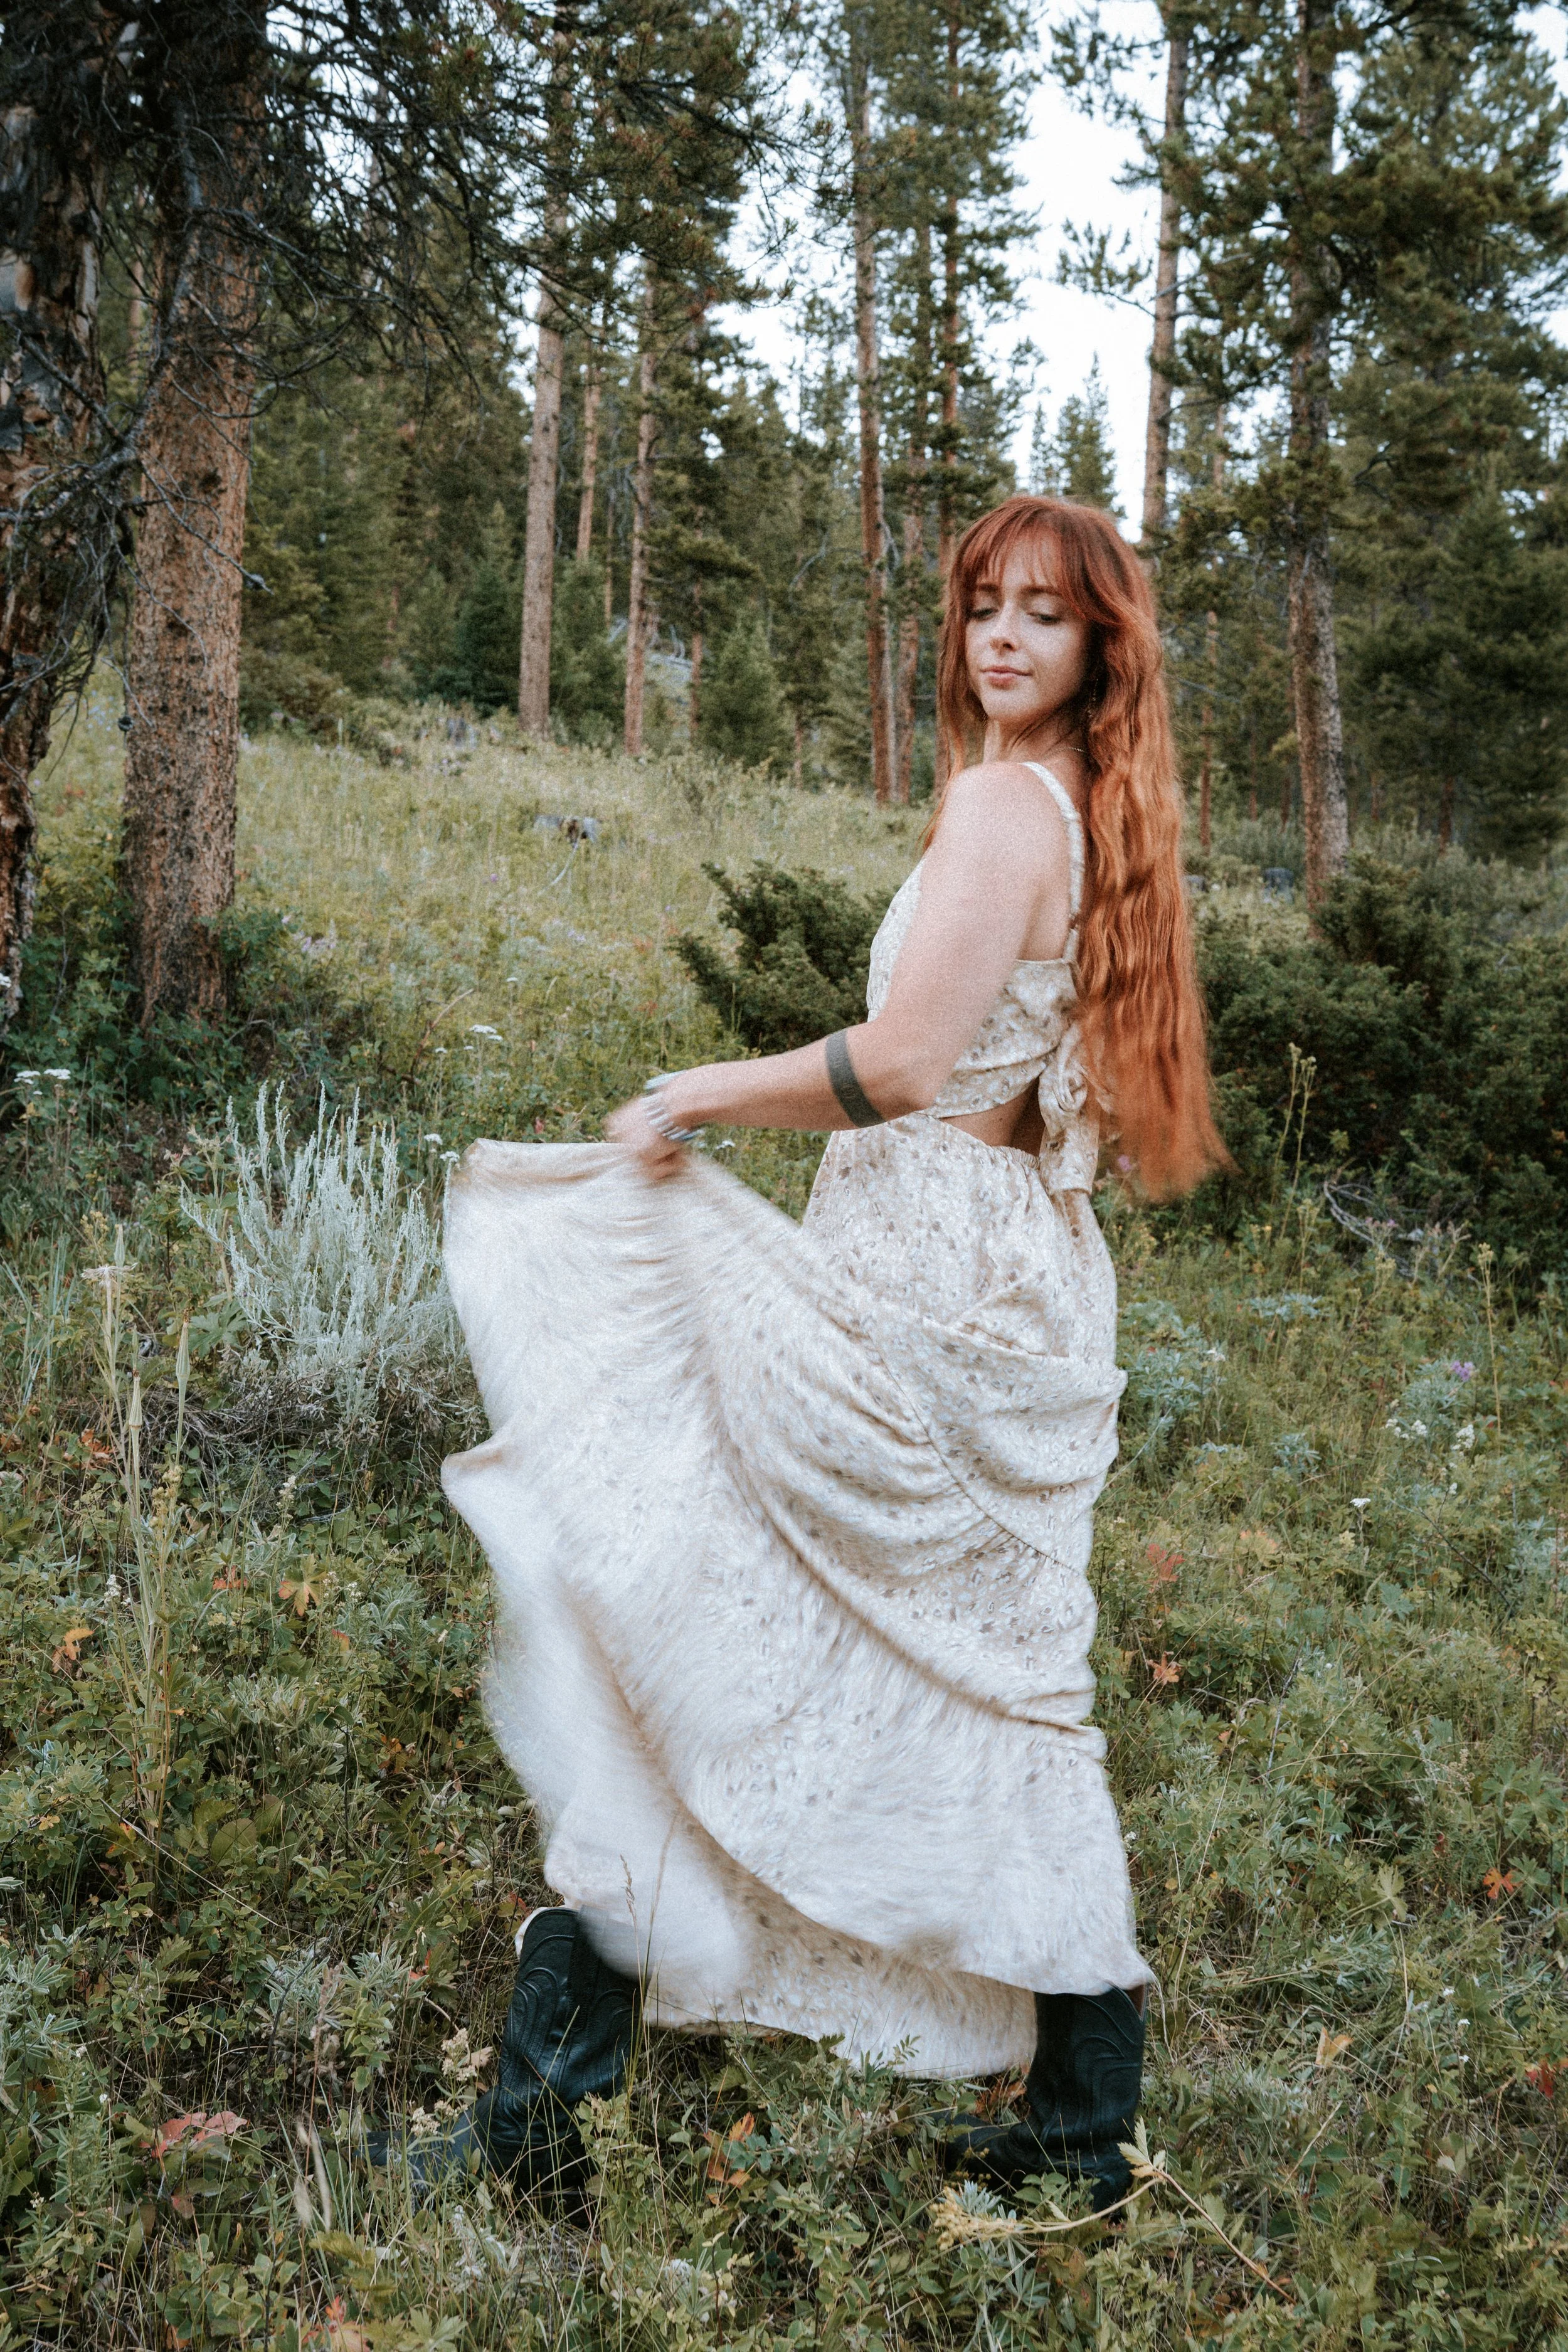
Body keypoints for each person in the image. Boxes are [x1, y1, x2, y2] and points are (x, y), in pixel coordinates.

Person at [388, 493, 1227, 2213]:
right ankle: (1075, 2134)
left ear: (1098, 650)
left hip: (928, 1275)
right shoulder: (1079, 811)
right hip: (1005, 1272)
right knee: (981, 1680)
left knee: (682, 1619)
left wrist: (694, 1093)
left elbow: (912, 1060)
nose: (999, 636)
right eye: (982, 604)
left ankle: (545, 2115)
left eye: (1041, 615)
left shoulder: (1007, 804)